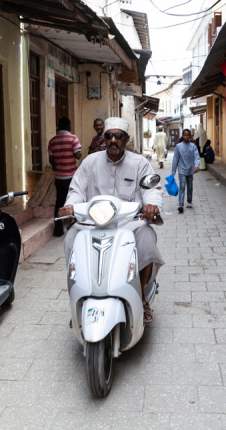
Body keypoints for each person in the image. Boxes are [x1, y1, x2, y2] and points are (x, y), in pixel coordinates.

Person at [58, 117, 165, 323]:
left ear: (126, 139)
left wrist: (152, 205)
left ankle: (142, 298)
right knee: (71, 236)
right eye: (109, 136)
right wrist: (70, 206)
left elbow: (152, 190)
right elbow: (76, 189)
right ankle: (79, 298)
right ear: (104, 138)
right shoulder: (90, 162)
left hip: (128, 223)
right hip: (93, 222)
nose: (113, 140)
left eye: (118, 136)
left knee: (146, 235)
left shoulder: (139, 163)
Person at [48, 117, 81, 237]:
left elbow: (51, 160)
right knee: (74, 202)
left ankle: (58, 229)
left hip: (59, 177)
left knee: (60, 202)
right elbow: (78, 155)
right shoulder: (73, 138)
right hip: (72, 176)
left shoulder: (52, 141)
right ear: (68, 126)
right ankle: (73, 228)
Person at [171, 128, 200, 213]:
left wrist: (196, 165)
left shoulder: (193, 146)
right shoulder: (178, 146)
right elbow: (175, 159)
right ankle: (180, 204)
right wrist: (173, 171)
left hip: (190, 169)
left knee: (190, 186)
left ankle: (189, 201)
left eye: (188, 135)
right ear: (182, 136)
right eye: (185, 135)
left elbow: (197, 157)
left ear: (190, 136)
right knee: (182, 186)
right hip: (181, 169)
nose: (186, 137)